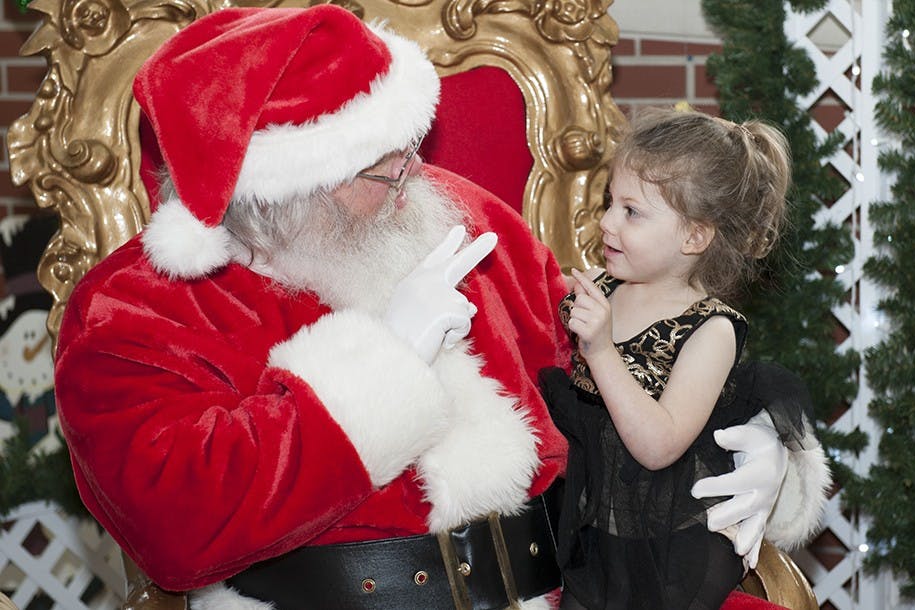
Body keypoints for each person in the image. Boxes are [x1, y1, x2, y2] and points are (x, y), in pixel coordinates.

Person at [52, 7, 827, 609]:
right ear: (278, 192)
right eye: (375, 163)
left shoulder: (460, 217)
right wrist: (383, 370)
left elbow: (611, 360)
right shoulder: (138, 307)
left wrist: (739, 443)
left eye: (408, 142)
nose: (412, 170)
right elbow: (173, 524)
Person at [540, 107, 826, 610]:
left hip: (660, 554)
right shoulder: (605, 287)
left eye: (632, 211)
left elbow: (658, 446)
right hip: (585, 533)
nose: (606, 221)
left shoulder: (710, 329)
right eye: (611, 201)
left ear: (694, 236)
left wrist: (602, 349)